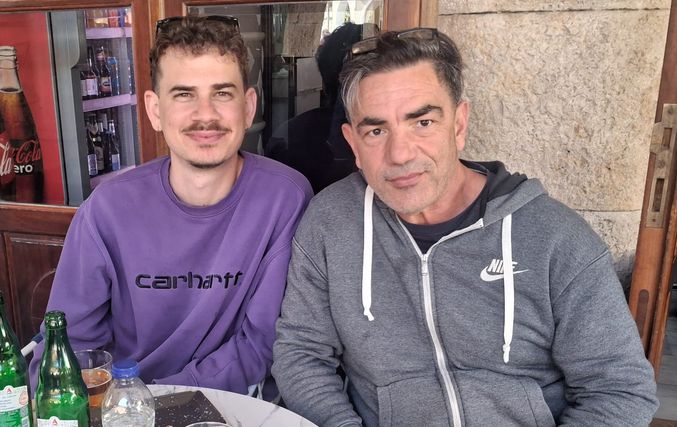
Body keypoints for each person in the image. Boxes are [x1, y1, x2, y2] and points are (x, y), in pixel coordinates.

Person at [272, 28, 658, 426]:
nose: (399, 154)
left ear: (459, 124)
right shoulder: (330, 224)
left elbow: (619, 390)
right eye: (376, 131)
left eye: (422, 122)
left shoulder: (555, 239)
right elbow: (302, 354)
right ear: (353, 143)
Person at [28, 15, 312, 395]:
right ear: (155, 110)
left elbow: (261, 342)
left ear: (248, 107)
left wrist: (163, 400)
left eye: (222, 93)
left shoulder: (284, 198)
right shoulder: (107, 210)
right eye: (183, 94)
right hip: (125, 404)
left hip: (233, 402)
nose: (205, 115)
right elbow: (69, 345)